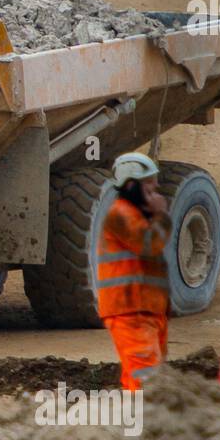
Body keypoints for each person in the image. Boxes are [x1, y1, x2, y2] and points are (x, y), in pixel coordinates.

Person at [96, 152, 172, 391]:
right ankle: (146, 422)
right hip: (130, 310)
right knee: (146, 376)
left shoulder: (134, 214)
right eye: (149, 183)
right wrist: (161, 214)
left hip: (145, 310)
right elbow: (149, 244)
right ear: (131, 185)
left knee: (143, 374)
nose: (156, 187)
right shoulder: (120, 214)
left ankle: (136, 420)